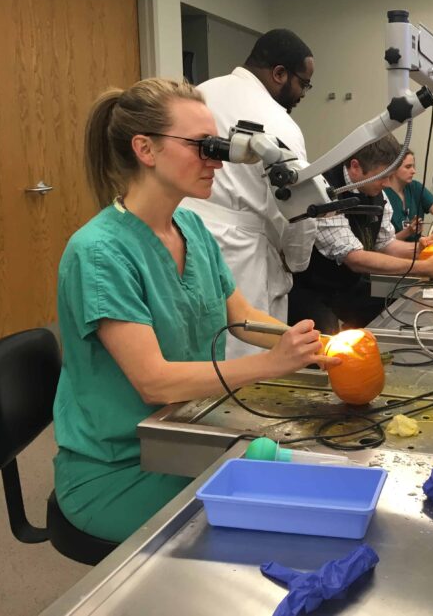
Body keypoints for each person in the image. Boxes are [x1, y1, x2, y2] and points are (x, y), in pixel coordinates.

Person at [53, 78, 338, 543]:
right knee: (280, 526)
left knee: (310, 472)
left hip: (185, 433)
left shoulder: (190, 226)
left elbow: (240, 315)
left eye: (218, 147)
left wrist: (317, 347)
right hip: (123, 466)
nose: (216, 161)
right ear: (145, 149)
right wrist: (273, 364)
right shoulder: (99, 253)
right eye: (202, 146)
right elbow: (154, 382)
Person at [181, 29, 317, 359]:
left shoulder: (199, 94)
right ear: (279, 74)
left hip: (183, 237)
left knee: (194, 344)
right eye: (303, 83)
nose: (303, 93)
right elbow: (301, 211)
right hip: (242, 257)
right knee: (243, 357)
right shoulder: (278, 123)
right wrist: (297, 262)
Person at [288, 136, 433, 334]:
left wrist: (418, 249)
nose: (387, 183)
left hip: (348, 284)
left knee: (394, 314)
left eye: (390, 175)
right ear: (355, 166)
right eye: (382, 176)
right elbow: (354, 258)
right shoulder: (325, 192)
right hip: (313, 288)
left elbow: (386, 244)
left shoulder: (377, 191)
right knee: (322, 346)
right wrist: (423, 267)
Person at [384, 150, 433, 242]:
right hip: (394, 252)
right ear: (393, 168)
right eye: (408, 167)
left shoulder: (415, 188)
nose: (413, 171)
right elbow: (383, 244)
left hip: (417, 249)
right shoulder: (382, 194)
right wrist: (408, 232)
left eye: (413, 166)